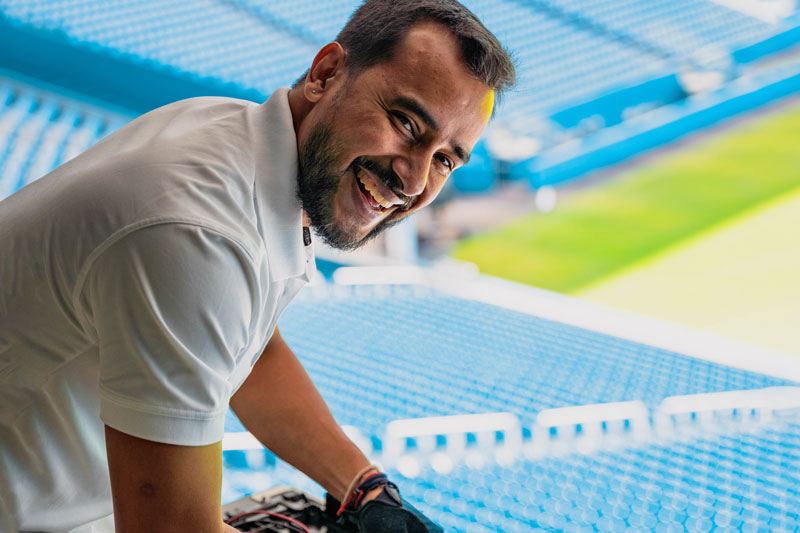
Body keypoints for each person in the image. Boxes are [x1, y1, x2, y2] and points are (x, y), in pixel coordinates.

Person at [0, 0, 515, 531]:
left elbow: (251, 356)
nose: (412, 180)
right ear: (326, 73)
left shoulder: (240, 141)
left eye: (446, 159)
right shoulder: (200, 234)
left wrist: (367, 489)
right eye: (406, 123)